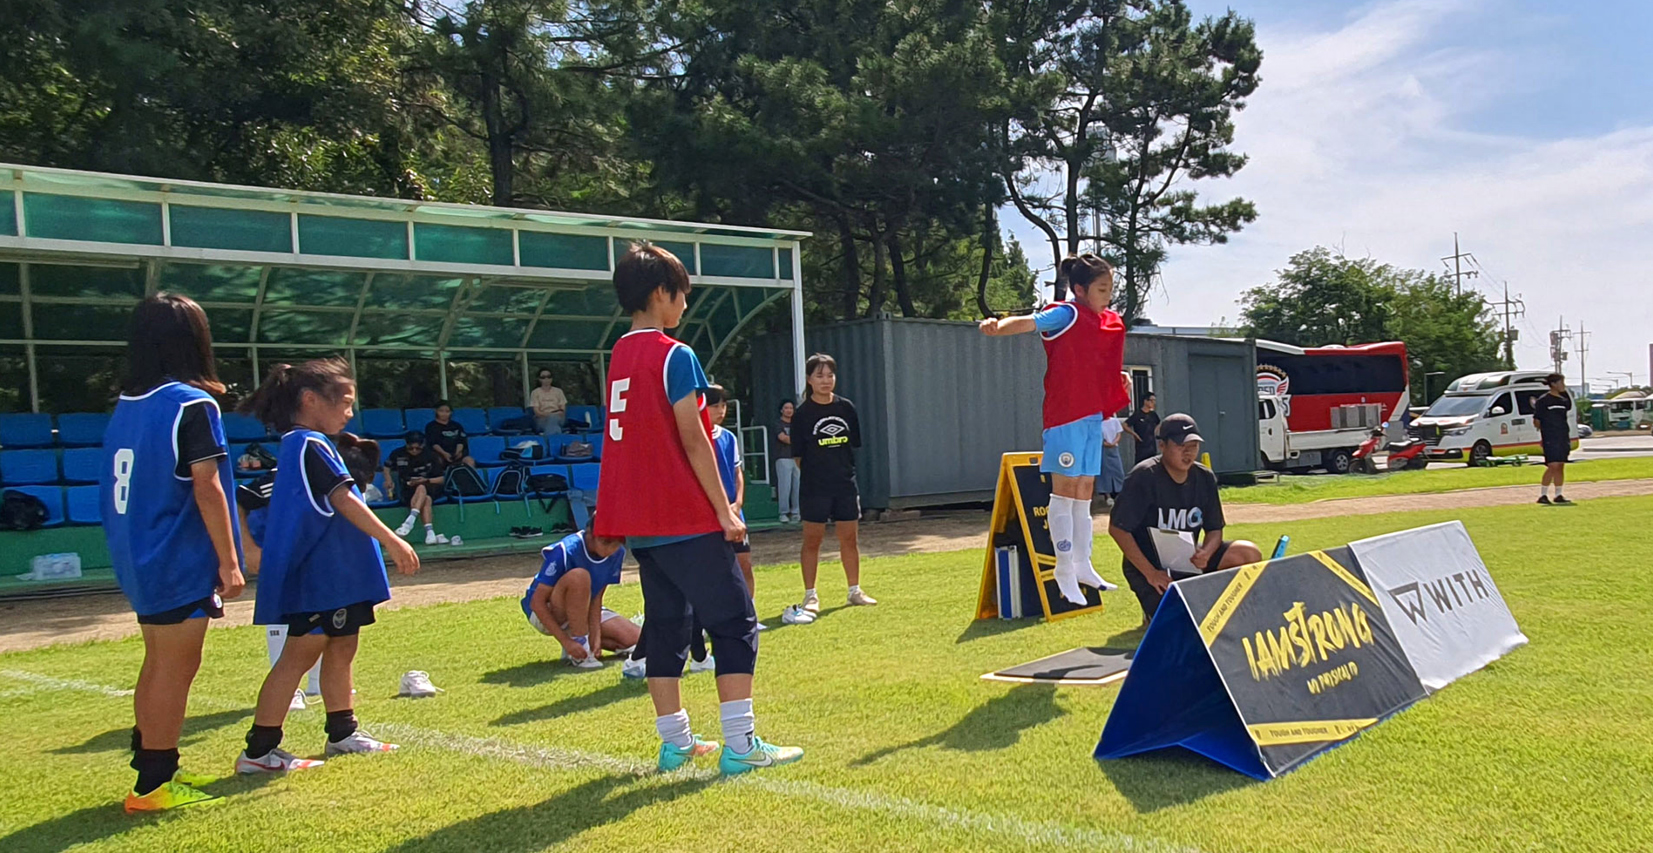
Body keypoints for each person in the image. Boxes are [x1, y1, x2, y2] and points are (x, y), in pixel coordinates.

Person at [595, 242, 801, 775]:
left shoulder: (619, 355)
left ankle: (677, 742)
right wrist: (726, 511)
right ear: (661, 293)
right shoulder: (674, 354)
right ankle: (741, 745)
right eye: (682, 294)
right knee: (735, 622)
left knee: (667, 626)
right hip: (682, 517)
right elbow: (695, 438)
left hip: (643, 523)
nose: (685, 304)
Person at [236, 358, 419, 774]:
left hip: (340, 577)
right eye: (346, 402)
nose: (350, 412)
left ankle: (342, 733)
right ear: (310, 399)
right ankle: (259, 750)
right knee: (299, 656)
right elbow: (343, 499)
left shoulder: (309, 445)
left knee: (342, 647)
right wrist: (391, 538)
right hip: (320, 577)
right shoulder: (308, 444)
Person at [101, 293, 245, 813]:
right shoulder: (191, 403)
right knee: (174, 668)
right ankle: (154, 783)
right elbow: (208, 486)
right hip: (174, 556)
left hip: (137, 553)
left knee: (158, 662)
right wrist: (230, 560)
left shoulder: (128, 404)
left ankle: (151, 767)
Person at [979, 253, 1131, 604]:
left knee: (1084, 491)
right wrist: (998, 326)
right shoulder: (1068, 313)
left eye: (1110, 288)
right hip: (1065, 417)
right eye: (1101, 289)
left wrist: (1114, 387)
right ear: (1080, 289)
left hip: (1093, 416)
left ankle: (1082, 563)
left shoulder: (1107, 321)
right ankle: (1063, 568)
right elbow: (1030, 322)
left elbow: (1101, 364)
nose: (1107, 295)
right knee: (1064, 493)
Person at [1108, 414, 1264, 628]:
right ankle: (1154, 608)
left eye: (1194, 445)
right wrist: (1151, 573)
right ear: (1162, 445)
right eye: (1182, 445)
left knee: (1248, 552)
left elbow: (1214, 528)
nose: (1189, 452)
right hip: (1151, 566)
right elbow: (1118, 529)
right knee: (1178, 626)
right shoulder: (1144, 476)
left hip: (1189, 559)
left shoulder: (1205, 477)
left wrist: (1207, 552)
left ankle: (1227, 607)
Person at [794, 353, 876, 612]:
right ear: (809, 379)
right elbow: (798, 456)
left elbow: (853, 445)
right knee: (812, 540)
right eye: (819, 375)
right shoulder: (802, 414)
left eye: (830, 375)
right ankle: (810, 595)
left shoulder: (846, 408)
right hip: (814, 488)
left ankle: (854, 590)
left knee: (849, 539)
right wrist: (818, 474)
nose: (826, 381)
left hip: (845, 485)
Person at [522, 519, 641, 667]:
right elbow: (536, 602)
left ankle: (586, 644)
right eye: (606, 542)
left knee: (640, 640)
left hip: (584, 608)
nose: (611, 549)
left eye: (617, 544)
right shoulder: (566, 550)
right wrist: (566, 642)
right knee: (579, 577)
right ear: (590, 535)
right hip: (548, 611)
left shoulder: (616, 554)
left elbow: (597, 597)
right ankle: (579, 648)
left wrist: (595, 635)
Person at [707, 385, 765, 630]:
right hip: (707, 516)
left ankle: (747, 614)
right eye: (715, 406)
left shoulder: (728, 437)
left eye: (723, 405)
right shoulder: (694, 438)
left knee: (744, 563)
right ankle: (709, 619)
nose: (720, 411)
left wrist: (738, 502)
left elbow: (737, 472)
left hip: (733, 513)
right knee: (710, 570)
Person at [384, 430, 449, 544]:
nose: (414, 451)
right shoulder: (397, 453)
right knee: (426, 500)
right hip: (408, 488)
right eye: (411, 448)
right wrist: (388, 479)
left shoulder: (431, 455)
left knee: (421, 487)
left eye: (417, 448)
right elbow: (386, 466)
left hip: (430, 485)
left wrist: (426, 480)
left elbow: (442, 479)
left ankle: (410, 520)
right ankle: (430, 533)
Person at [1534, 373, 1574, 505]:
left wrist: (1565, 391)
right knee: (1552, 465)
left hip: (1563, 435)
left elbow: (1568, 407)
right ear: (1553, 384)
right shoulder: (1543, 400)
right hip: (1550, 437)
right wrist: (1545, 433)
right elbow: (1537, 420)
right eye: (1561, 383)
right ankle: (1543, 495)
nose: (1563, 385)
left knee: (1560, 465)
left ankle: (1558, 494)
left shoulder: (1563, 400)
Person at [424, 401, 475, 469]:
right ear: (436, 411)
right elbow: (433, 443)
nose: (444, 414)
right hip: (439, 454)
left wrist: (458, 452)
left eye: (447, 411)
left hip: (456, 455)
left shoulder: (457, 425)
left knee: (470, 461)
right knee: (436, 461)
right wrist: (444, 454)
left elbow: (461, 441)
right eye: (441, 411)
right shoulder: (431, 426)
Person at [773, 400, 800, 523]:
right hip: (783, 458)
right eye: (786, 408)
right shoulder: (778, 424)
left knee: (797, 486)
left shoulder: (797, 424)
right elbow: (783, 438)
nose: (789, 410)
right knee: (785, 486)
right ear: (781, 410)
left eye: (791, 408)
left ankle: (796, 512)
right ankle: (783, 513)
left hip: (797, 458)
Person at [1124, 392, 1161, 465]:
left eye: (1154, 401)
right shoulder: (1138, 414)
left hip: (1152, 446)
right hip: (1141, 446)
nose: (1153, 403)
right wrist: (1134, 434)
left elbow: (1159, 423)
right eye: (1151, 400)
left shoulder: (1153, 414)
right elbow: (1125, 425)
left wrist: (1155, 432)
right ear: (1145, 401)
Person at [531, 368, 568, 437]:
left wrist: (553, 415)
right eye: (543, 377)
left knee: (553, 419)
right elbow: (537, 412)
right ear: (539, 379)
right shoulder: (535, 392)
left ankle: (548, 438)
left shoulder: (558, 391)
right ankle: (557, 438)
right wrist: (550, 415)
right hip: (541, 419)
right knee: (554, 424)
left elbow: (562, 411)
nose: (546, 379)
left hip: (558, 417)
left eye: (549, 376)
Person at [1100, 410, 1127, 504]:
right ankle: (1107, 495)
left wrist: (1114, 442)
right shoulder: (1098, 423)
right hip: (1102, 449)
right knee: (1105, 472)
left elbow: (1119, 433)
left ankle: (1120, 493)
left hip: (1114, 448)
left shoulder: (1114, 421)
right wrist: (1104, 443)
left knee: (1118, 470)